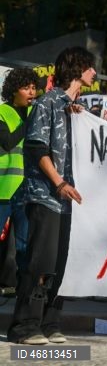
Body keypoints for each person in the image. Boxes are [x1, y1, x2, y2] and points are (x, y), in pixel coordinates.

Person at [7, 47, 96, 345]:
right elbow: (36, 148)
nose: (94, 74)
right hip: (45, 195)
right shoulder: (47, 103)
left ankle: (50, 322)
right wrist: (59, 183)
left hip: (71, 204)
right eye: (90, 68)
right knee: (39, 261)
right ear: (78, 68)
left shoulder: (80, 112)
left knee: (62, 264)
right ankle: (24, 326)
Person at [0, 68, 38, 292]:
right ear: (14, 90)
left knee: (24, 243)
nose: (32, 92)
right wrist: (30, 122)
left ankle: (22, 288)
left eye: (34, 87)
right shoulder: (2, 113)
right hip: (3, 189)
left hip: (26, 190)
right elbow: (7, 142)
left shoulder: (36, 113)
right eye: (26, 88)